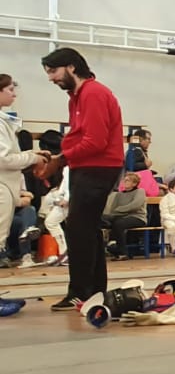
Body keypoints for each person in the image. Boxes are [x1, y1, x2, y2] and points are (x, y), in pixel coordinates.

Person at [41, 48, 124, 310]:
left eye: (53, 71)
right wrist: (62, 157)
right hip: (86, 166)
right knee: (87, 229)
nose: (51, 78)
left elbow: (95, 141)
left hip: (97, 167)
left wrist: (61, 158)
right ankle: (94, 290)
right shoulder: (77, 97)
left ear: (71, 67)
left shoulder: (93, 93)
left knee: (79, 230)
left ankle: (81, 292)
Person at [1, 74, 47, 265]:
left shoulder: (3, 121)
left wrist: (31, 154)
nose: (14, 94)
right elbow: (3, 159)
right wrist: (33, 158)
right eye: (10, 90)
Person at [102, 171, 149, 257]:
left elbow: (135, 206)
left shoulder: (140, 191)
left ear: (134, 183)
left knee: (118, 223)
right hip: (120, 216)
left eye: (128, 180)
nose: (125, 182)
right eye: (125, 180)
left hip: (137, 217)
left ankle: (121, 251)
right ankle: (107, 245)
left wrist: (119, 210)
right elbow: (113, 208)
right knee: (100, 219)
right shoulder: (119, 194)